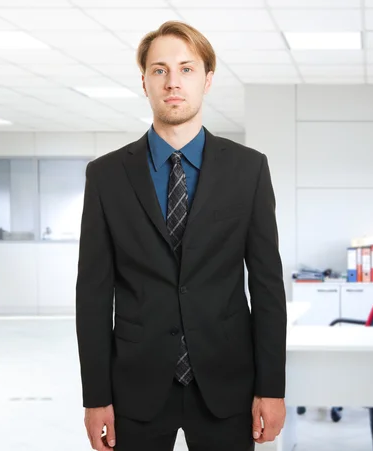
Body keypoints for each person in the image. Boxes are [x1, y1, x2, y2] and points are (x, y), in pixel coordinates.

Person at [75, 20, 287, 451]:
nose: (173, 82)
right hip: (135, 385)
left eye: (186, 69)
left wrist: (272, 387)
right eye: (159, 70)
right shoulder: (106, 176)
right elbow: (93, 294)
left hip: (228, 383)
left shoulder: (249, 169)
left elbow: (266, 286)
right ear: (145, 81)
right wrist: (95, 397)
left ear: (207, 80)